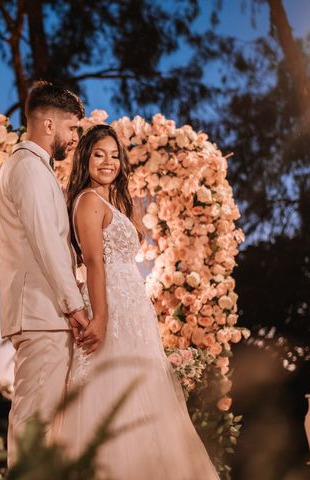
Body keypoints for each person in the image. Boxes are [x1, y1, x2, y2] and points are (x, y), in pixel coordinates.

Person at [58, 124, 220, 479]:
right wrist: (99, 317)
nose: (108, 162)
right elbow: (95, 262)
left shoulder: (112, 199)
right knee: (115, 393)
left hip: (133, 308)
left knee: (145, 395)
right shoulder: (87, 200)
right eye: (99, 154)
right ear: (85, 157)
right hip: (110, 306)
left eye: (114, 155)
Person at [0, 81, 90, 466]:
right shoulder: (29, 169)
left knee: (44, 424)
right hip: (42, 313)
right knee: (34, 421)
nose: (73, 137)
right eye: (72, 128)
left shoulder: (32, 168)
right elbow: (47, 244)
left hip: (43, 314)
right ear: (48, 124)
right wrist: (75, 306)